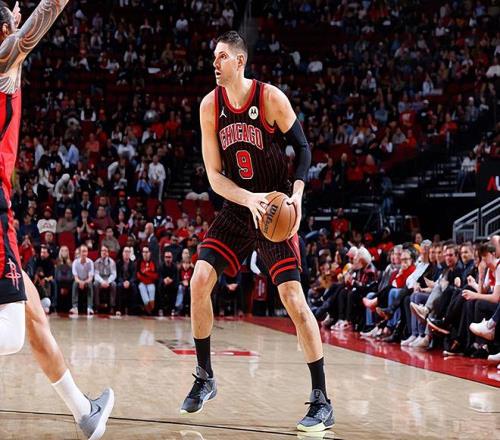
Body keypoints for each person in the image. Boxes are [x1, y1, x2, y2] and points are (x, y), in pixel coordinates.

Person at [180, 31, 333, 432]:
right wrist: (248, 199)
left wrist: (297, 194)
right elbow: (214, 176)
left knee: (294, 300)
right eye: (214, 56)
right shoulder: (210, 106)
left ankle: (321, 398)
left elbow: (303, 149)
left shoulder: (269, 98)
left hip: (275, 207)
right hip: (239, 205)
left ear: (240, 61)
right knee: (199, 280)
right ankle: (205, 376)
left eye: (222, 56)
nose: (215, 63)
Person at [0, 1, 113, 438]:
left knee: (33, 316)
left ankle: (84, 412)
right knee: (12, 333)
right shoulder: (4, 60)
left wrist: (9, 19)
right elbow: (41, 17)